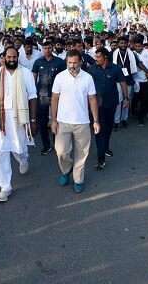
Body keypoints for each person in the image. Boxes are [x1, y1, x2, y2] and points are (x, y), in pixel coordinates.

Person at [0, 47, 37, 202]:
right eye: (8, 56)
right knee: (0, 150)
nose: (11, 59)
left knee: (19, 147)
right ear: (4, 58)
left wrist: (33, 120)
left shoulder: (25, 74)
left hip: (19, 117)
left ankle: (23, 159)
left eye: (14, 56)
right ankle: (5, 187)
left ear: (17, 57)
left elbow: (33, 96)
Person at [51, 50, 100, 193]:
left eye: (75, 63)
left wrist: (95, 120)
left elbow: (92, 99)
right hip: (62, 122)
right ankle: (66, 170)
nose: (72, 66)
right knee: (61, 152)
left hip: (82, 122)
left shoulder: (88, 78)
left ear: (80, 62)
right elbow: (54, 98)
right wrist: (53, 120)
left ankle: (78, 179)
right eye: (69, 63)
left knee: (82, 154)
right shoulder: (60, 77)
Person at [88, 47, 128, 170]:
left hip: (112, 103)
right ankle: (101, 158)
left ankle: (105, 148)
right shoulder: (92, 69)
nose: (96, 59)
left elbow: (123, 83)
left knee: (109, 127)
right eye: (96, 57)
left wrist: (126, 98)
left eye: (98, 57)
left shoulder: (115, 68)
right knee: (99, 129)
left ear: (105, 57)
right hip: (97, 105)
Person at [32, 40, 66, 155]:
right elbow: (34, 78)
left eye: (49, 48)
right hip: (42, 96)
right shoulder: (37, 62)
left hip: (56, 95)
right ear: (42, 49)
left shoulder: (60, 62)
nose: (47, 50)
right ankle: (46, 145)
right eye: (45, 48)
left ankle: (57, 143)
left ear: (53, 48)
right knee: (42, 121)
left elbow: (64, 78)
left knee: (56, 120)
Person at [112, 36, 144, 130]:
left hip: (128, 80)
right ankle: (116, 121)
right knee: (118, 101)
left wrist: (147, 71)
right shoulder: (113, 54)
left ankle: (124, 119)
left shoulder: (132, 54)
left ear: (128, 44)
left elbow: (139, 64)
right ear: (118, 44)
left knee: (127, 100)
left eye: (125, 43)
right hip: (117, 80)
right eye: (121, 43)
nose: (123, 45)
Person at [131, 38, 148, 126]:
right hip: (136, 79)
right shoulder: (132, 54)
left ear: (142, 46)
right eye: (135, 46)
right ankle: (133, 109)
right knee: (136, 98)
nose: (137, 48)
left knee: (145, 99)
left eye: (139, 46)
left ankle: (141, 118)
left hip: (147, 79)